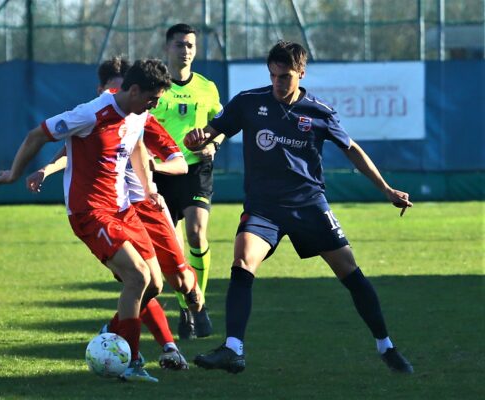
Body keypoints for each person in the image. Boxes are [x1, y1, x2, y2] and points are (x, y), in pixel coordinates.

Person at [184, 41, 414, 374]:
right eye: (274, 75)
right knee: (242, 261)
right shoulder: (249, 102)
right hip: (263, 207)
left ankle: (386, 346)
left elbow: (352, 150)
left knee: (350, 273)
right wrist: (199, 138)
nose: (278, 83)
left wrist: (386, 189)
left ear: (301, 73)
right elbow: (212, 131)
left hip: (308, 205)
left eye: (286, 76)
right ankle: (233, 349)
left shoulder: (319, 111)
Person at [0, 59, 173, 382]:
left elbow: (138, 147)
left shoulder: (138, 114)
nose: (154, 105)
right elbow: (37, 135)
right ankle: (129, 360)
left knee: (155, 284)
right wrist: (14, 174)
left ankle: (112, 332)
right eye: (151, 98)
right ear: (135, 89)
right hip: (90, 212)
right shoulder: (90, 113)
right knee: (137, 277)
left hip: (124, 209)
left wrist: (149, 187)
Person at [26, 56, 204, 370]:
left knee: (174, 281)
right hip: (104, 210)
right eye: (109, 91)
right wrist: (47, 169)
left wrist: (151, 179)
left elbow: (178, 161)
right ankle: (159, 349)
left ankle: (119, 331)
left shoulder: (141, 115)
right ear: (106, 89)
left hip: (143, 207)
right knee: (137, 278)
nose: (113, 96)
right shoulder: (97, 112)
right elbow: (69, 147)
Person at [151, 23, 224, 340]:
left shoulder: (207, 88)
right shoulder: (154, 87)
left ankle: (199, 305)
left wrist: (213, 143)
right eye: (180, 44)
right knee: (174, 251)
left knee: (196, 234)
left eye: (191, 45)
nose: (186, 50)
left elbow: (221, 125)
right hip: (161, 173)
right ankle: (186, 305)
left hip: (196, 169)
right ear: (167, 48)